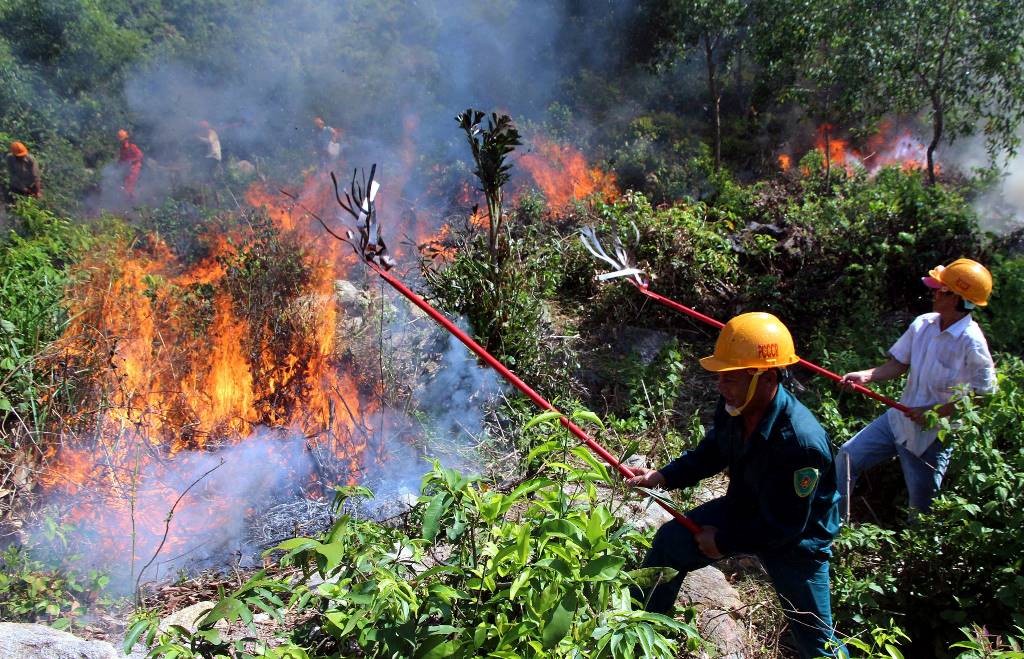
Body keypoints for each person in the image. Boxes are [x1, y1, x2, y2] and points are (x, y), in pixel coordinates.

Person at [628, 312, 844, 659]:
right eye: (720, 376)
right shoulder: (734, 405)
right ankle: (634, 634)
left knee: (817, 643)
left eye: (730, 377)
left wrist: (723, 542)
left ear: (767, 377)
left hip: (797, 540)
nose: (719, 385)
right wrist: (663, 476)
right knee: (669, 544)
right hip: (745, 506)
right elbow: (713, 452)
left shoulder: (801, 443)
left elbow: (786, 525)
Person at [836, 259, 996, 516]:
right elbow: (899, 364)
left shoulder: (972, 342)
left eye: (940, 289)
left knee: (922, 510)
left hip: (932, 436)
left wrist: (935, 411)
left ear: (956, 298)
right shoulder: (923, 324)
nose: (934, 293)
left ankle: (918, 555)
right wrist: (866, 376)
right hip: (898, 419)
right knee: (846, 456)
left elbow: (983, 395)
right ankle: (836, 527)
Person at [117, 129, 144, 201]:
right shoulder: (122, 149)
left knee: (128, 186)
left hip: (134, 168)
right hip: (126, 169)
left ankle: (131, 203)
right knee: (124, 186)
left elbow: (140, 156)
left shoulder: (132, 147)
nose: (122, 142)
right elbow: (121, 160)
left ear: (126, 139)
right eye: (121, 141)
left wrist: (131, 162)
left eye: (123, 140)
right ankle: (130, 201)